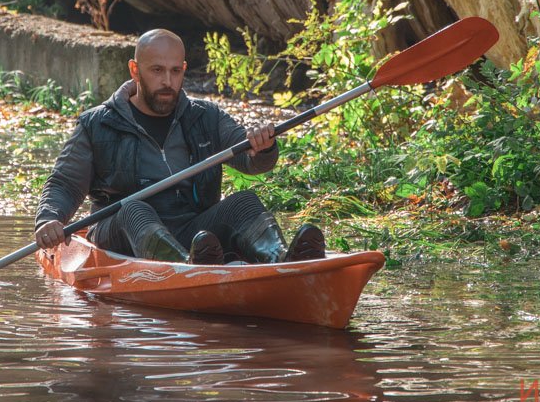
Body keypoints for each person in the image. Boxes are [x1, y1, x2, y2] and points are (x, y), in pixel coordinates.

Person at [33, 28, 325, 265]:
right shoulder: (96, 124)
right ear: (135, 69)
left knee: (243, 201)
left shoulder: (206, 116)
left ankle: (283, 260)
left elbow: (250, 159)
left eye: (175, 71)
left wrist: (262, 148)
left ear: (184, 69)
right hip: (123, 229)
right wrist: (49, 218)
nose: (167, 82)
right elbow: (65, 183)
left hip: (196, 232)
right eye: (157, 70)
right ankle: (185, 266)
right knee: (134, 208)